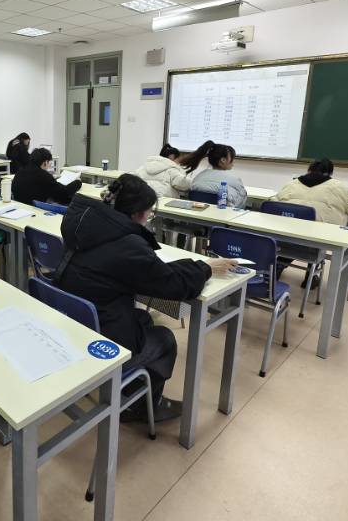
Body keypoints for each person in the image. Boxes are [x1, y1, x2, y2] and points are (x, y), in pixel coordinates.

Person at [56, 174, 237, 422]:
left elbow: (153, 271)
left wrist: (196, 265)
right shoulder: (128, 245)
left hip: (74, 325)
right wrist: (206, 268)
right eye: (150, 213)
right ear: (138, 214)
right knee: (165, 339)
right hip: (101, 337)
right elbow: (172, 284)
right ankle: (141, 407)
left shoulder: (86, 226)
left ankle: (132, 390)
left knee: (143, 319)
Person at [272, 158, 348, 225]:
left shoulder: (292, 184)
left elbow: (275, 202)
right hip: (322, 235)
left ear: (309, 170)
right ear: (330, 173)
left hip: (289, 229)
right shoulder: (337, 186)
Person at [186, 141, 247, 208]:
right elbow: (241, 202)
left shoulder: (198, 176)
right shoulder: (234, 179)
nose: (233, 162)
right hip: (224, 213)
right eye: (232, 158)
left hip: (200, 211)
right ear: (223, 160)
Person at [11, 148, 81, 205]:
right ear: (45, 162)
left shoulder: (20, 171)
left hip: (19, 205)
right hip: (36, 208)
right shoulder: (43, 175)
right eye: (49, 162)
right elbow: (63, 193)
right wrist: (78, 182)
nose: (49, 165)